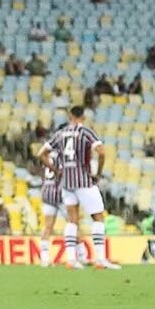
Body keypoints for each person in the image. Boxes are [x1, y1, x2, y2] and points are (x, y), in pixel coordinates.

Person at [47, 105, 119, 270]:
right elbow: (101, 152)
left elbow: (42, 153)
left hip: (67, 182)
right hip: (84, 181)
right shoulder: (85, 132)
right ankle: (100, 260)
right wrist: (98, 173)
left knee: (72, 220)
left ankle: (72, 260)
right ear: (83, 117)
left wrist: (56, 171)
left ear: (69, 116)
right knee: (98, 218)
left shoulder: (60, 133)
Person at [37, 136, 64, 267]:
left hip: (47, 191)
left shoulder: (47, 155)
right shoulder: (63, 155)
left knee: (47, 226)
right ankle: (80, 255)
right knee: (73, 222)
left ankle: (44, 258)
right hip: (61, 192)